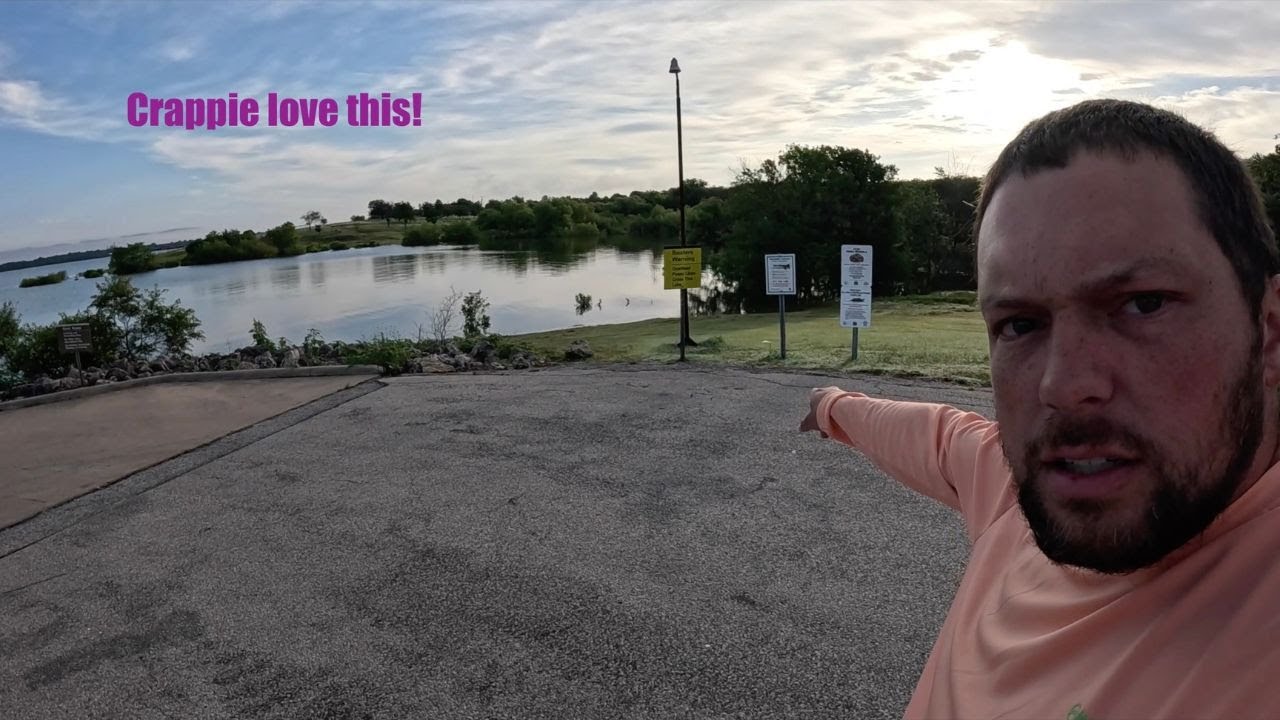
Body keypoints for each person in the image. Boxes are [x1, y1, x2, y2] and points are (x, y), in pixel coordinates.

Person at [800, 98, 1280, 719]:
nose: (1064, 384)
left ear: (1268, 329)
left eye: (1142, 304)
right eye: (1021, 323)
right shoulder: (1012, 492)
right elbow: (938, 438)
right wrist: (833, 406)